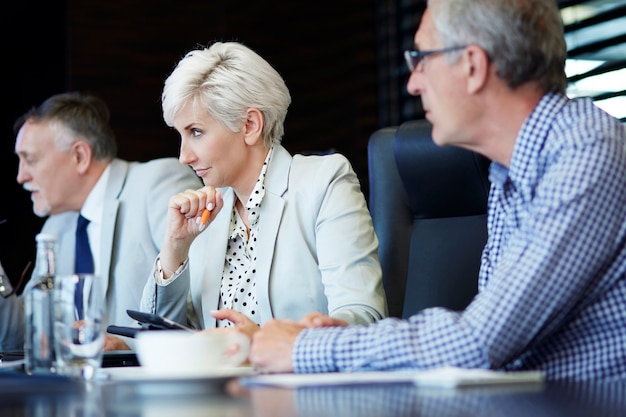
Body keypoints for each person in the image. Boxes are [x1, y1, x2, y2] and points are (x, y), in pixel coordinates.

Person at [248, 0, 626, 381]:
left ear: (473, 66)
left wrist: (306, 348)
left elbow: (480, 341)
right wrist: (345, 344)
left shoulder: (587, 151)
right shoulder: (508, 172)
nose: (413, 82)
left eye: (423, 58)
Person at [139, 41, 387, 339]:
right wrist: (175, 249)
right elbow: (160, 337)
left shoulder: (323, 182)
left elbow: (363, 318)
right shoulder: (209, 211)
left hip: (301, 383)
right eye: (181, 135)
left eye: (196, 132)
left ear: (249, 125)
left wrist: (274, 342)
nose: (184, 157)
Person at [9, 91, 202, 351]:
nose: (21, 176)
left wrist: (127, 347)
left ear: (79, 156)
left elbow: (200, 307)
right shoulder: (56, 225)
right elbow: (21, 336)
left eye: (30, 159)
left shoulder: (158, 182)